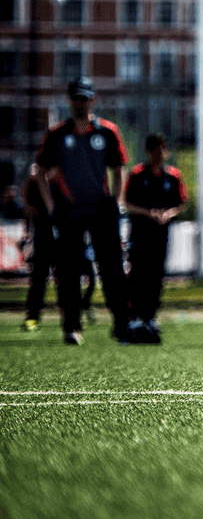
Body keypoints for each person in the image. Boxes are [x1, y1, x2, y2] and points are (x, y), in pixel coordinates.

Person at [35, 77, 132, 345]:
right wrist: (51, 205)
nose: (80, 103)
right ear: (70, 101)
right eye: (76, 98)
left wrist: (117, 200)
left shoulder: (108, 131)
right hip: (69, 210)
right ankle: (71, 327)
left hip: (101, 209)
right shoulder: (57, 133)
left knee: (112, 268)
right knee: (67, 271)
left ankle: (122, 324)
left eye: (84, 98)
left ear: (93, 100)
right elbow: (40, 171)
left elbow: (118, 168)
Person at [122, 133, 187, 344]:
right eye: (156, 150)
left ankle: (150, 318)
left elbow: (181, 203)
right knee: (138, 275)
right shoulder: (137, 174)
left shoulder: (173, 176)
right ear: (149, 152)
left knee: (156, 276)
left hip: (161, 235)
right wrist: (148, 213)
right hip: (140, 234)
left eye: (163, 149)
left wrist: (168, 214)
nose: (160, 154)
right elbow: (127, 203)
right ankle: (135, 318)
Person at [21, 166, 54, 332]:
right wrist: (27, 234)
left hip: (68, 236)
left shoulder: (67, 178)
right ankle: (32, 316)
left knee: (70, 276)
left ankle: (73, 320)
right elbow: (28, 209)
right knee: (39, 277)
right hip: (43, 237)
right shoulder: (34, 181)